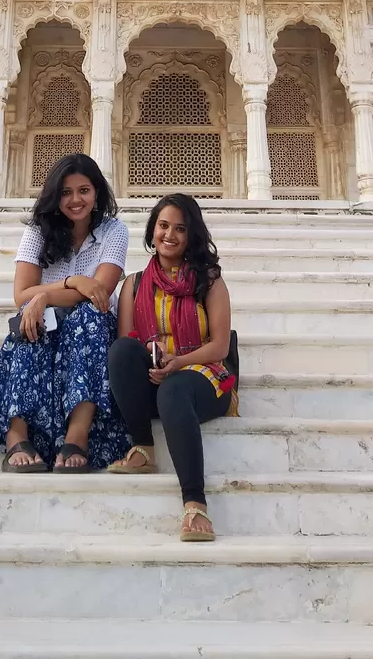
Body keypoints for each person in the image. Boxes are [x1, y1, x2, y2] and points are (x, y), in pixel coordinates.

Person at [0, 153, 129, 472]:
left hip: (89, 328)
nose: (76, 200)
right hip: (46, 321)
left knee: (91, 316)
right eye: (66, 192)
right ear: (54, 195)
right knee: (33, 317)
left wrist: (43, 294)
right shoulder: (38, 230)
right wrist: (63, 287)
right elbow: (22, 293)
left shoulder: (114, 231)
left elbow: (99, 293)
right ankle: (16, 436)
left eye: (84, 190)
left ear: (97, 192)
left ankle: (77, 437)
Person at [107, 193, 237, 541]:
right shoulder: (133, 284)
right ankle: (142, 446)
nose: (170, 235)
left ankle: (195, 505)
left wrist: (178, 361)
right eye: (163, 225)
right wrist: (151, 351)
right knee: (121, 352)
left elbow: (220, 346)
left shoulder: (209, 281)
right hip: (157, 375)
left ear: (191, 235)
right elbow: (128, 340)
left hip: (205, 377)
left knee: (175, 388)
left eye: (180, 228)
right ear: (152, 232)